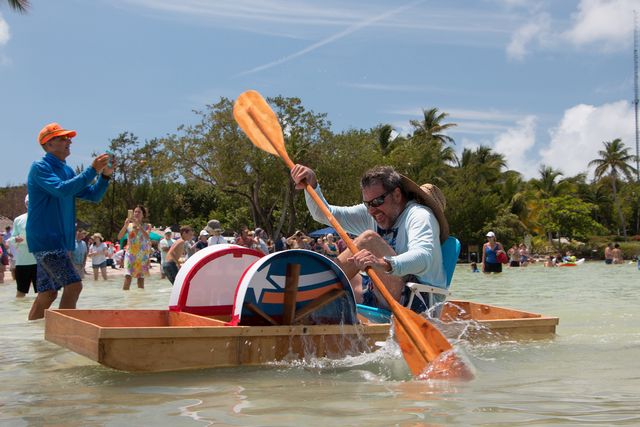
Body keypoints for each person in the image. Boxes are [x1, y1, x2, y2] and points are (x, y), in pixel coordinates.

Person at [290, 164, 448, 313]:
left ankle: (308, 297)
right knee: (345, 280)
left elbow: (424, 256)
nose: (372, 210)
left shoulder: (420, 215)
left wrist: (383, 263)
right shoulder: (373, 211)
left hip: (418, 301)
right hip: (381, 292)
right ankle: (304, 300)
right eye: (367, 204)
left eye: (377, 202)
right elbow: (325, 214)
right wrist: (312, 185)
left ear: (398, 195)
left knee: (368, 239)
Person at [26, 122, 113, 320]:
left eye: (68, 138)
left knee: (48, 293)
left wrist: (105, 177)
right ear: (48, 145)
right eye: (62, 138)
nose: (69, 141)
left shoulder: (67, 170)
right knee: (74, 286)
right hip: (47, 239)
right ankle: (65, 339)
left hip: (54, 240)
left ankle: (34, 340)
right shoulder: (40, 167)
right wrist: (91, 170)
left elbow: (93, 195)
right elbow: (61, 189)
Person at [7, 195, 38, 297]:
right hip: (22, 262)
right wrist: (15, 239)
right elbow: (11, 240)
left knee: (43, 293)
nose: (29, 204)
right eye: (27, 203)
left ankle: (41, 313)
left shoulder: (43, 217)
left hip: (40, 261)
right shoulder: (18, 219)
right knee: (20, 292)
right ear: (25, 204)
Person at [117, 205, 152, 290]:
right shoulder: (129, 225)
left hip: (142, 255)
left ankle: (140, 301)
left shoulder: (147, 226)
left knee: (140, 279)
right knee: (128, 276)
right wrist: (125, 226)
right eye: (135, 212)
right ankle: (126, 299)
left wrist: (138, 225)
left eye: (139, 212)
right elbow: (119, 237)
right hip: (130, 254)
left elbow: (147, 237)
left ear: (143, 215)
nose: (136, 213)